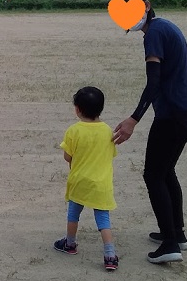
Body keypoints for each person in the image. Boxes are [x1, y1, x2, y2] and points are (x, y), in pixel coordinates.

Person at [111, 0, 187, 264]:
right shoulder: (165, 27)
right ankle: (176, 233)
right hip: (184, 111)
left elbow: (154, 82)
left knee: (153, 175)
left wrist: (133, 119)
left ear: (147, 5)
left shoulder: (154, 34)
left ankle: (171, 244)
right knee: (165, 172)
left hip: (172, 115)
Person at [53, 86, 119, 271]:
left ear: (78, 109)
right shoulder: (107, 131)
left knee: (73, 214)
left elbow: (67, 156)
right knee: (103, 219)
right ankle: (110, 254)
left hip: (79, 181)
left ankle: (70, 243)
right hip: (101, 184)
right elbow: (111, 154)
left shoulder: (74, 130)